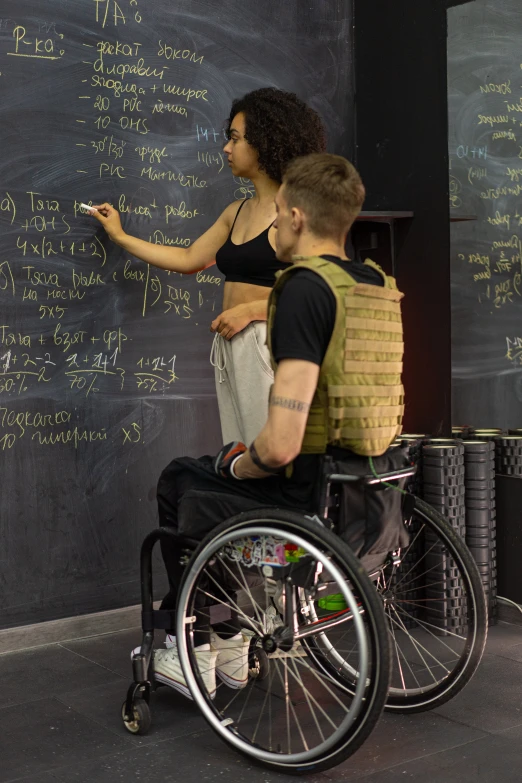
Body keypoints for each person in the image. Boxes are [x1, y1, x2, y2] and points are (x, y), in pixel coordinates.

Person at [140, 152, 407, 699]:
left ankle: (197, 647)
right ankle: (235, 646)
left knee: (182, 481)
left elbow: (281, 445)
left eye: (279, 213)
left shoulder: (304, 289)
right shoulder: (375, 284)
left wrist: (240, 461)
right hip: (372, 480)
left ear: (298, 218)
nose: (275, 225)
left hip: (308, 488)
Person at [88, 87, 326, 445]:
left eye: (235, 138)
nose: (226, 149)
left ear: (263, 143)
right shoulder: (237, 211)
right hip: (232, 346)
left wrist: (252, 311)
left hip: (268, 345)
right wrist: (120, 237)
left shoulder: (295, 214)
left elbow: (324, 293)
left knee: (270, 455)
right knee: (239, 454)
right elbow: (188, 260)